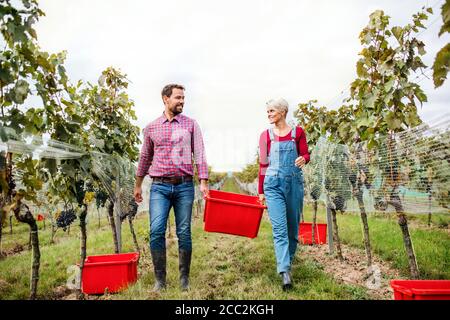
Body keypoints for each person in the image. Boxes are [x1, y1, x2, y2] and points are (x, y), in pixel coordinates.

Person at [134, 84, 209, 292]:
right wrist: (138, 184)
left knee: (184, 232)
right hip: (159, 187)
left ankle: (184, 279)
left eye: (183, 97)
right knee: (156, 231)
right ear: (165, 99)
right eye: (178, 97)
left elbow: (199, 153)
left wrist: (203, 181)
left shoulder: (191, 125)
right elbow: (145, 157)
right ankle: (160, 280)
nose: (182, 101)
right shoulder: (151, 127)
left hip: (185, 186)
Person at [258, 98, 310, 291]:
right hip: (273, 185)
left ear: (282, 112)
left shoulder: (298, 133)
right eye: (268, 111)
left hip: (294, 184)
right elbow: (263, 165)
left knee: (292, 230)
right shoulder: (265, 136)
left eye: (272, 111)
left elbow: (306, 154)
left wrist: (303, 159)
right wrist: (261, 191)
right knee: (279, 230)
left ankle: (287, 261)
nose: (268, 114)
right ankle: (285, 271)